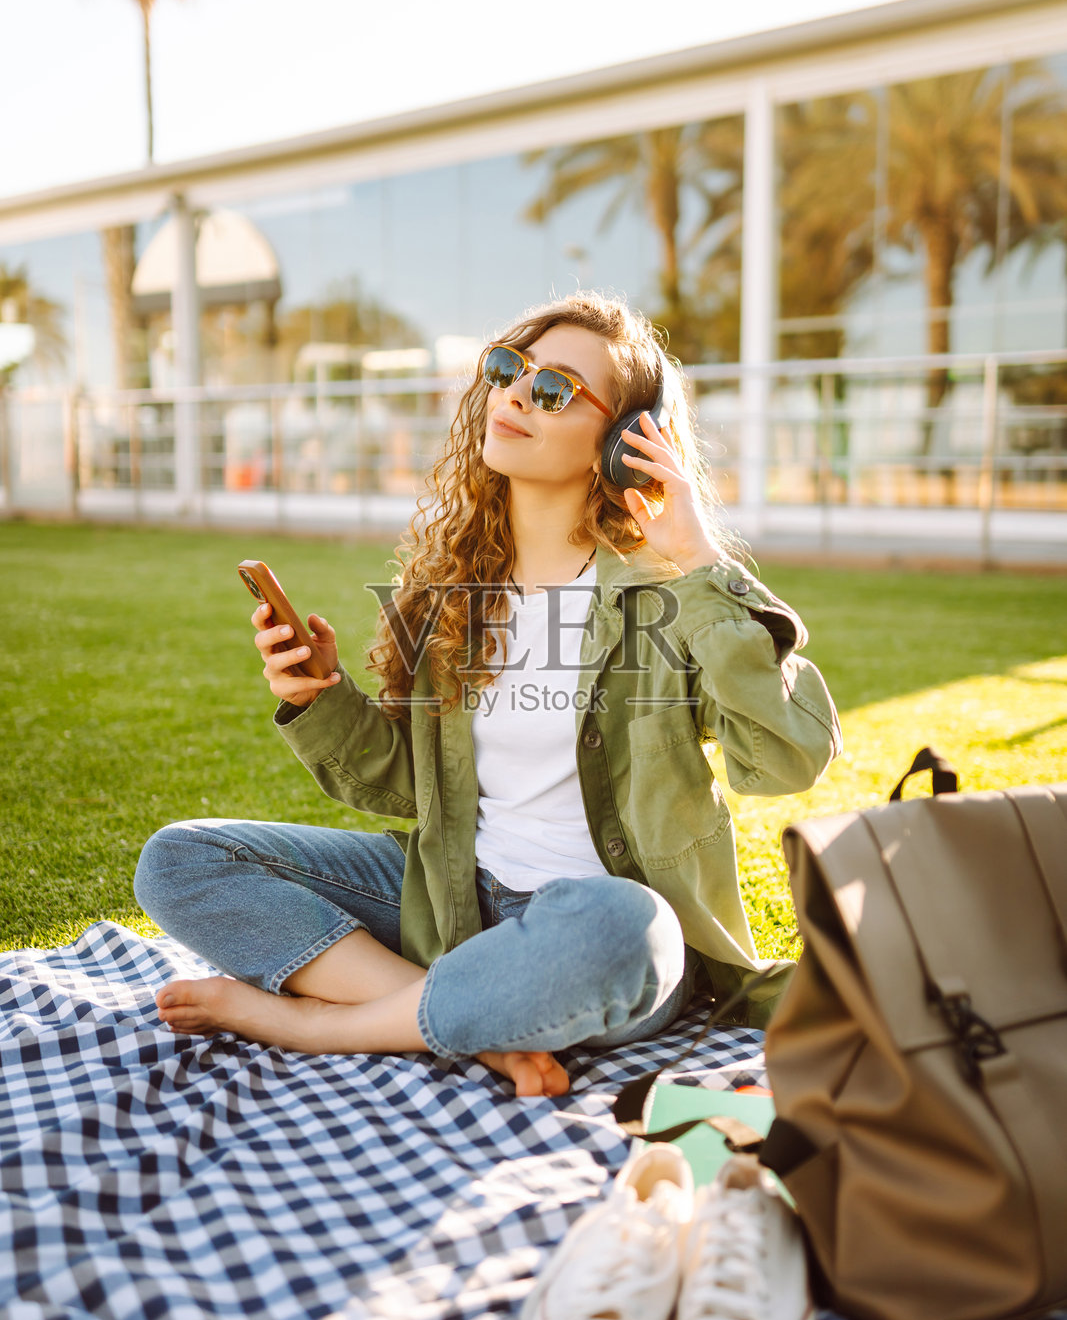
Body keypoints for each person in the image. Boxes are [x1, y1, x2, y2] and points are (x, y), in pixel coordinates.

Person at [134, 292, 841, 1097]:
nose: (515, 394)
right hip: (453, 904)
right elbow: (412, 786)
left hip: (594, 929)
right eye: (509, 369)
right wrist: (319, 697)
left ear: (620, 444)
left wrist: (699, 558)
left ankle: (320, 1024)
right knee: (181, 859)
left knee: (626, 926)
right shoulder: (451, 589)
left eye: (555, 389)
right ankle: (464, 1020)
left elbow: (786, 757)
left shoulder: (667, 597)